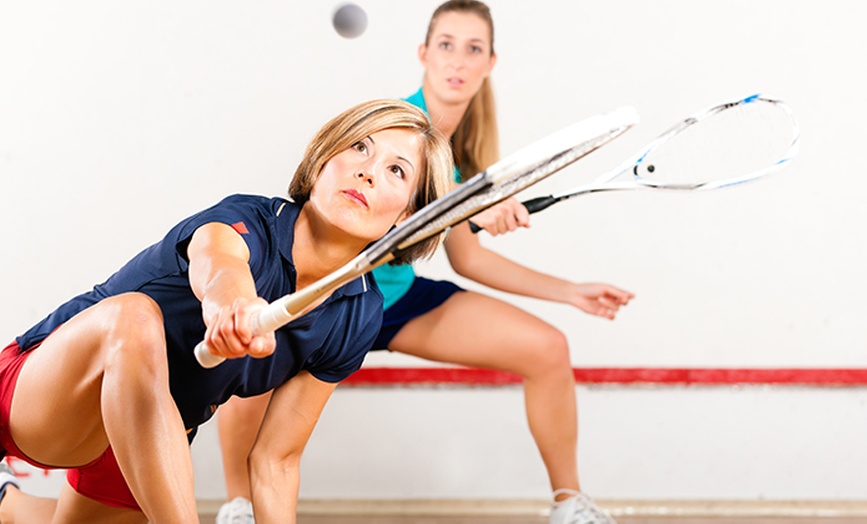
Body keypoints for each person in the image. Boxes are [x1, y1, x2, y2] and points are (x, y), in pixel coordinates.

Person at [215, 2, 634, 524]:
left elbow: (468, 259)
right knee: (248, 356)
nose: (457, 60)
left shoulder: (465, 151)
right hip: (330, 293)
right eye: (446, 45)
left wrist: (569, 291)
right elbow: (393, 184)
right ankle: (238, 508)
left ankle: (570, 506)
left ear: (490, 63)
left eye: (473, 48)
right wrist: (470, 199)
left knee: (548, 348)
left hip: (390, 298)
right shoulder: (395, 123)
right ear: (424, 54)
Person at [0, 98, 454, 523]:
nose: (368, 172)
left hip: (146, 440)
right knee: (134, 319)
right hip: (43, 393)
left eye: (396, 170)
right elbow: (220, 266)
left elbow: (276, 460)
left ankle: (8, 501)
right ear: (322, 159)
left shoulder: (358, 313)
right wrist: (232, 306)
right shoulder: (249, 220)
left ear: (407, 217)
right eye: (359, 147)